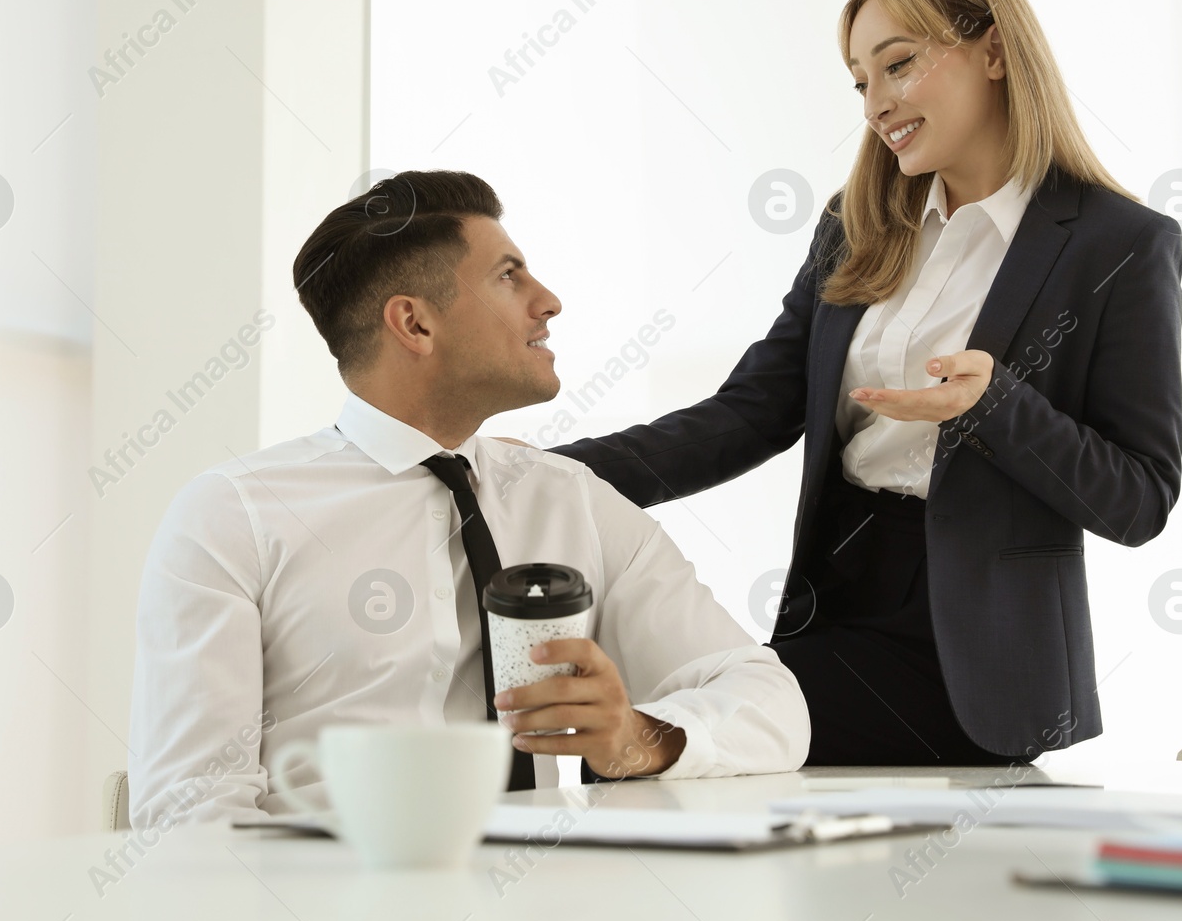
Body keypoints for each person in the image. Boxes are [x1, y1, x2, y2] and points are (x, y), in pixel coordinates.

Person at [545, 0, 1182, 766]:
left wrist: (993, 406)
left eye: (898, 65)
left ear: (994, 49)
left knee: (671, 747)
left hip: (970, 651)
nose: (876, 104)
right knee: (694, 769)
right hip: (836, 597)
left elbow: (1140, 497)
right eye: (860, 81)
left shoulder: (1116, 244)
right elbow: (747, 414)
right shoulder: (857, 224)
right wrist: (554, 477)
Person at [126, 170, 809, 829]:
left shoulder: (573, 501)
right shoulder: (231, 517)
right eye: (508, 275)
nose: (549, 301)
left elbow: (772, 705)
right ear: (415, 325)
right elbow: (192, 811)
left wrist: (641, 735)